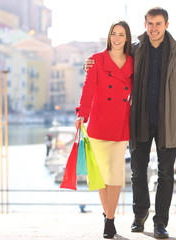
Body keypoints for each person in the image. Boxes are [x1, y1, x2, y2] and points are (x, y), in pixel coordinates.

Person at [85, 7, 176, 239]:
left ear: (166, 25)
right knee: (137, 172)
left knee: (166, 174)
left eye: (158, 24)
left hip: (168, 121)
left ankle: (160, 223)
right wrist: (88, 65)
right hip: (139, 120)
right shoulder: (135, 49)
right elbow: (112, 63)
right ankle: (140, 216)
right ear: (145, 24)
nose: (153, 28)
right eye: (150, 24)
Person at [74, 20, 134, 239]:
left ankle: (110, 220)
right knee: (101, 175)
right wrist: (82, 113)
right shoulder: (96, 60)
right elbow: (88, 89)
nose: (117, 39)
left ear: (127, 38)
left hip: (121, 124)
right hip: (99, 123)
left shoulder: (132, 63)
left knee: (115, 173)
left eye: (121, 35)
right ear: (109, 37)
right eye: (113, 34)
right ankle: (107, 216)